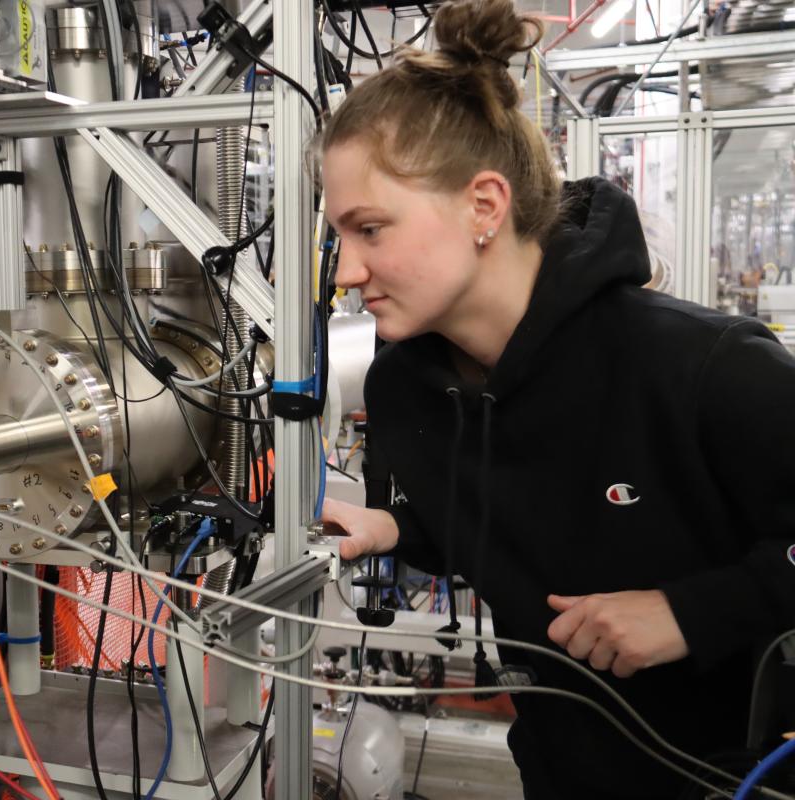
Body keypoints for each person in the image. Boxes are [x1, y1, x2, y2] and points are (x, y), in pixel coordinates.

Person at [317, 1, 795, 798]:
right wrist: (399, 525)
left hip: (739, 775)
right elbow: (486, 520)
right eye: (340, 236)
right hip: (558, 770)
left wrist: (692, 611)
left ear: (484, 206)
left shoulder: (698, 367)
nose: (344, 271)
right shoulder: (406, 387)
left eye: (371, 230)